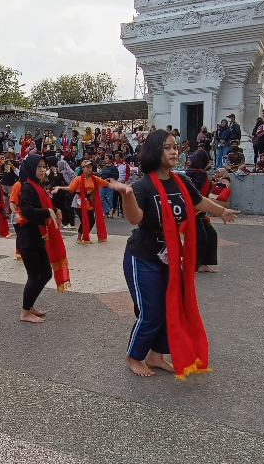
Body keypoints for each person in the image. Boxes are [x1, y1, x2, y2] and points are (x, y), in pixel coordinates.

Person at [109, 130, 239, 378]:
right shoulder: (143, 186)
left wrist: (221, 212)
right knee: (151, 313)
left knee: (171, 307)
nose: (173, 152)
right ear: (154, 151)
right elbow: (135, 218)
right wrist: (127, 195)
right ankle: (133, 357)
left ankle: (155, 356)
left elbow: (198, 201)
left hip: (168, 257)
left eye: (174, 147)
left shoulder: (181, 181)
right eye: (167, 148)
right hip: (142, 257)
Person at [16, 155, 69, 324]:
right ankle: (25, 312)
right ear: (31, 167)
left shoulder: (38, 186)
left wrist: (55, 209)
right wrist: (48, 212)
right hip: (28, 239)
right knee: (34, 275)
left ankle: (30, 306)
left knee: (46, 273)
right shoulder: (27, 187)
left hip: (39, 237)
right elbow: (27, 211)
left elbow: (43, 206)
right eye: (38, 166)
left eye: (43, 166)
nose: (42, 170)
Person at [53, 160, 109, 244]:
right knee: (84, 220)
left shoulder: (94, 178)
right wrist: (60, 187)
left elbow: (105, 183)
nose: (89, 169)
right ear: (82, 168)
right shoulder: (78, 179)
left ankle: (85, 236)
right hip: (79, 202)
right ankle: (79, 238)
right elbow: (70, 188)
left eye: (90, 167)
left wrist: (118, 186)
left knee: (91, 221)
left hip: (88, 202)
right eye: (87, 167)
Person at [186, 150, 218, 273]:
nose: (189, 160)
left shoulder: (198, 173)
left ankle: (203, 263)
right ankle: (196, 265)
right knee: (202, 239)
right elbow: (193, 193)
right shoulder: (197, 173)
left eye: (192, 158)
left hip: (199, 212)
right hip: (192, 212)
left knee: (211, 235)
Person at [99, 154, 119, 219]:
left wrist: (109, 179)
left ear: (110, 160)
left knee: (109, 198)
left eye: (107, 158)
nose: (105, 160)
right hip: (103, 184)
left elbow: (116, 176)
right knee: (101, 197)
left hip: (110, 185)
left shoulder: (114, 168)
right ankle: (107, 210)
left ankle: (109, 211)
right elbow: (101, 175)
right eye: (105, 158)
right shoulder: (104, 167)